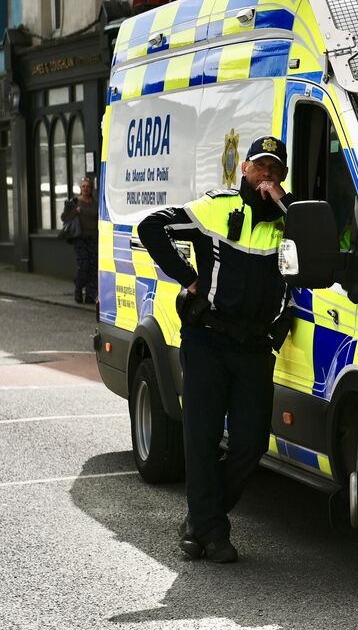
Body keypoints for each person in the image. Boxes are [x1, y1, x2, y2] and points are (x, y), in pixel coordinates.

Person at [137, 136, 294, 564]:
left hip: (254, 348)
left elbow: (317, 247)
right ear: (244, 168)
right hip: (207, 340)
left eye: (276, 169)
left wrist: (284, 202)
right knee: (202, 438)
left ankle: (199, 520)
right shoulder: (216, 207)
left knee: (250, 443)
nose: (268, 175)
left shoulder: (287, 222)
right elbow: (151, 227)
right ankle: (213, 532)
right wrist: (188, 278)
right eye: (261, 167)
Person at [62, 178, 99, 304]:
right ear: (80, 188)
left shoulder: (96, 203)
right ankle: (78, 288)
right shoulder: (75, 202)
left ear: (91, 188)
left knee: (93, 267)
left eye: (88, 186)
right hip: (80, 238)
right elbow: (64, 218)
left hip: (93, 238)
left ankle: (90, 294)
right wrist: (75, 212)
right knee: (84, 265)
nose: (86, 189)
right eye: (83, 186)